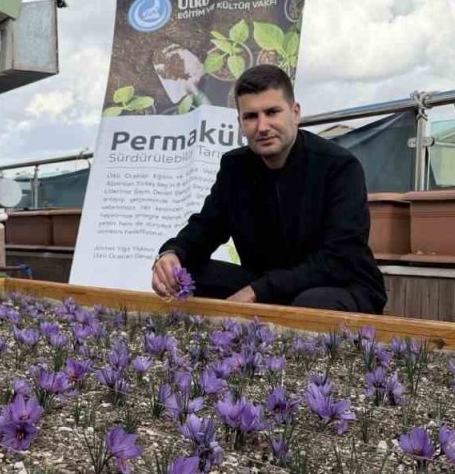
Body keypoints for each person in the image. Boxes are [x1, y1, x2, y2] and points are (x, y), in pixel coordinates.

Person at [149, 65, 386, 314]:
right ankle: (198, 344)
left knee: (310, 303)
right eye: (251, 116)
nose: (262, 127)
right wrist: (172, 253)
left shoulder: (339, 166)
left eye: (272, 112)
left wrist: (257, 292)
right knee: (184, 274)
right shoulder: (235, 168)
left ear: (295, 113)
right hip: (265, 283)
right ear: (239, 122)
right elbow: (205, 228)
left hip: (341, 286)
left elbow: (339, 259)